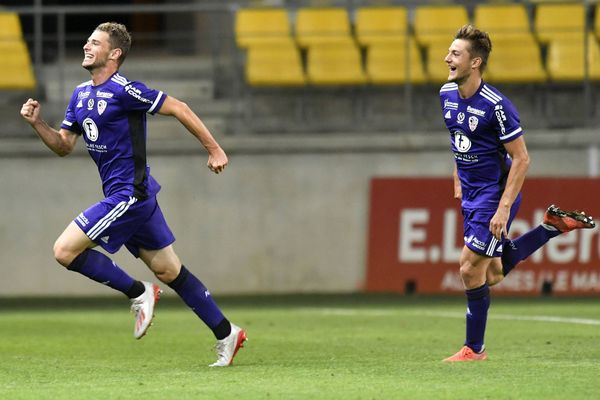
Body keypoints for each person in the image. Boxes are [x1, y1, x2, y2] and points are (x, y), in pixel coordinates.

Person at [20, 22, 246, 367]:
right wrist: (38, 124)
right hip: (129, 197)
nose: (86, 46)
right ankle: (227, 332)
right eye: (87, 40)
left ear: (115, 54)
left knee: (64, 251)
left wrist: (214, 149)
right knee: (170, 271)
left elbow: (179, 107)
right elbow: (64, 145)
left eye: (94, 43)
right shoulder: (80, 94)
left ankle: (138, 292)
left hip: (130, 195)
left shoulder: (125, 90)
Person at [439, 24, 595, 362]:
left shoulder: (497, 106)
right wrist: (457, 174)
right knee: (491, 273)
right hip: (472, 194)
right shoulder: (446, 95)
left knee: (468, 269)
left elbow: (522, 158)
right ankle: (552, 227)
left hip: (494, 195)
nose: (446, 58)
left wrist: (503, 207)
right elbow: (457, 139)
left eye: (455, 53)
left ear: (475, 62)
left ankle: (474, 350)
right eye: (449, 52)